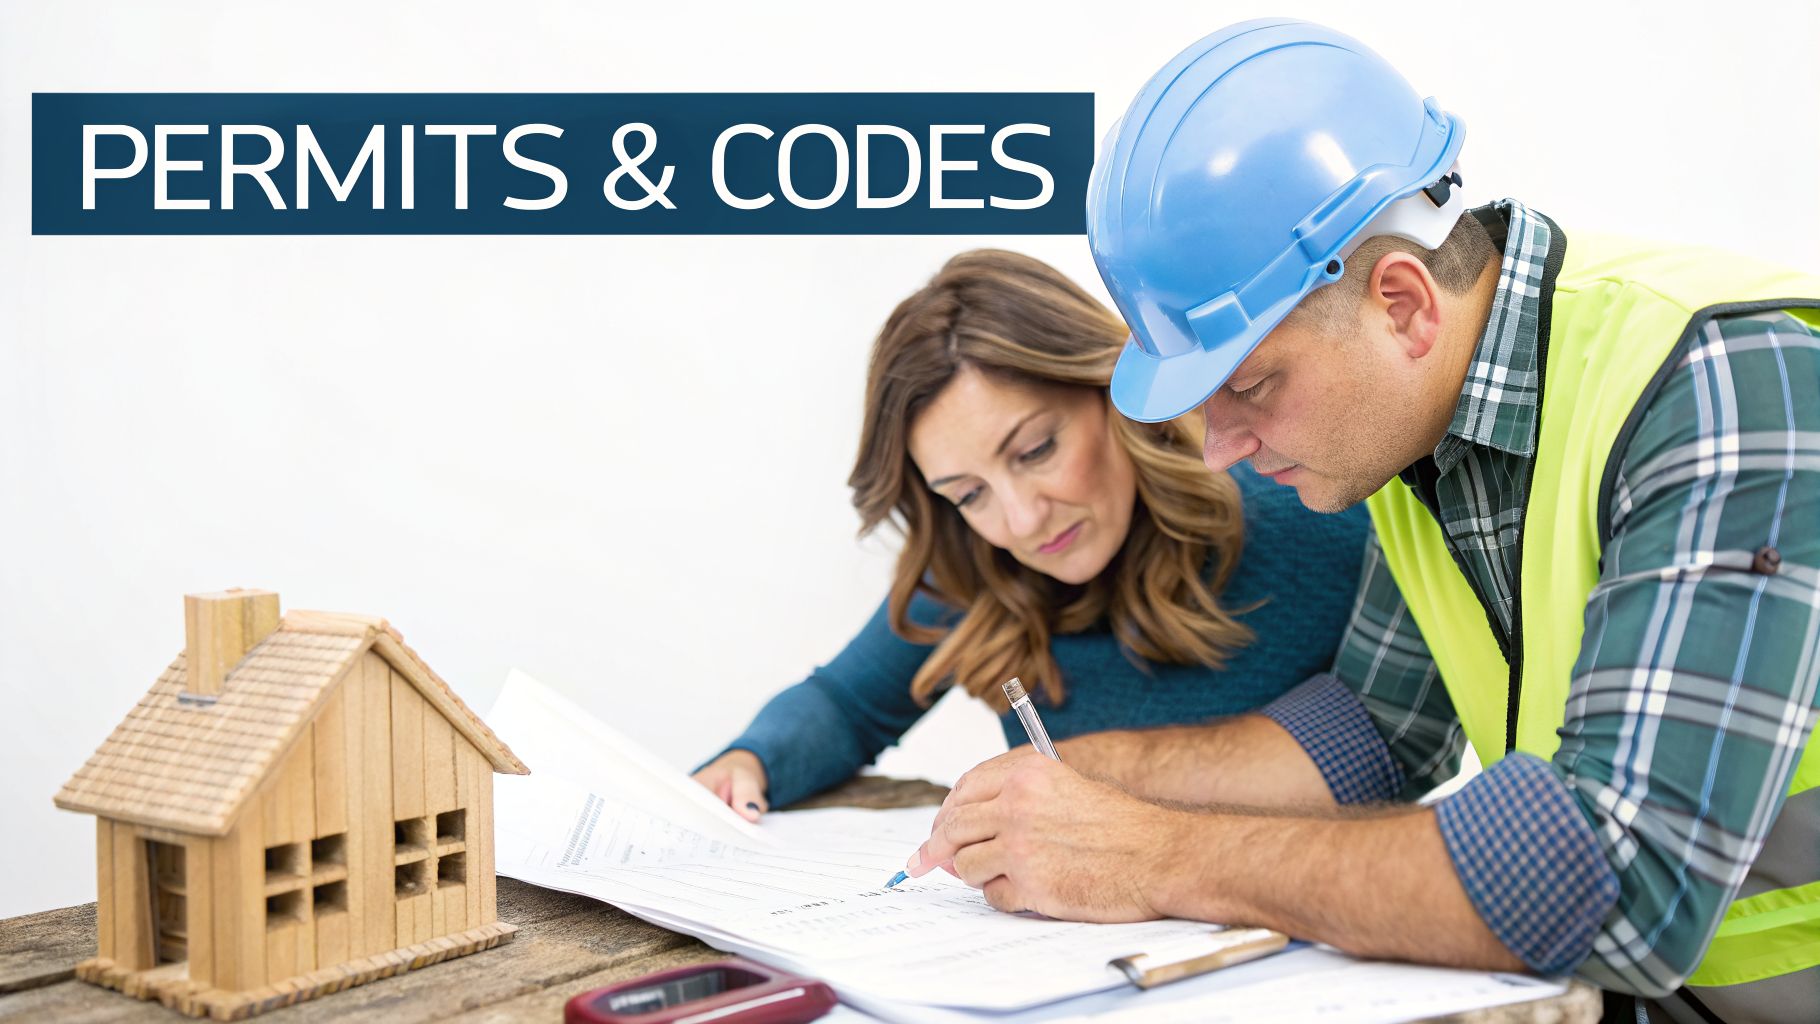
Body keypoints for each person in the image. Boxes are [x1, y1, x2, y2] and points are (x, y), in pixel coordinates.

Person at [903, 21, 1820, 1024]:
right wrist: (1082, 777)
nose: (1218, 448)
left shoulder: (1720, 382)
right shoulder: (1405, 434)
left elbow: (1622, 877)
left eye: (1247, 385)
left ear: (1402, 303)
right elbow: (1371, 736)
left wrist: (1150, 854)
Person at [693, 249, 1368, 819]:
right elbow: (846, 706)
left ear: (1114, 390)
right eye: (969, 493)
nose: (1019, 521)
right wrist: (750, 760)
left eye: (1036, 450)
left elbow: (1389, 742)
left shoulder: (1308, 506)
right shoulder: (976, 565)